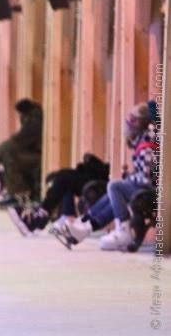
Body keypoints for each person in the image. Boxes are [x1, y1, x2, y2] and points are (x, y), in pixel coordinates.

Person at [55, 101, 159, 251]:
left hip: (150, 190)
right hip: (144, 187)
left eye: (133, 120)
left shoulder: (146, 146)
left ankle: (123, 230)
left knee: (114, 186)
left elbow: (146, 179)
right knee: (113, 193)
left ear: (142, 124)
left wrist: (129, 179)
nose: (129, 124)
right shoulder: (144, 140)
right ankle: (84, 225)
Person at [7, 152, 109, 236]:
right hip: (105, 175)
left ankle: (40, 217)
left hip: (106, 181)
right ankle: (65, 215)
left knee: (63, 178)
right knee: (62, 175)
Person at [0, 99, 43, 207]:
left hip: (39, 156)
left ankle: (18, 194)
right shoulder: (30, 117)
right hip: (34, 153)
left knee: (11, 157)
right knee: (9, 155)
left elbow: (20, 139)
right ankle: (15, 193)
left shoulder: (34, 119)